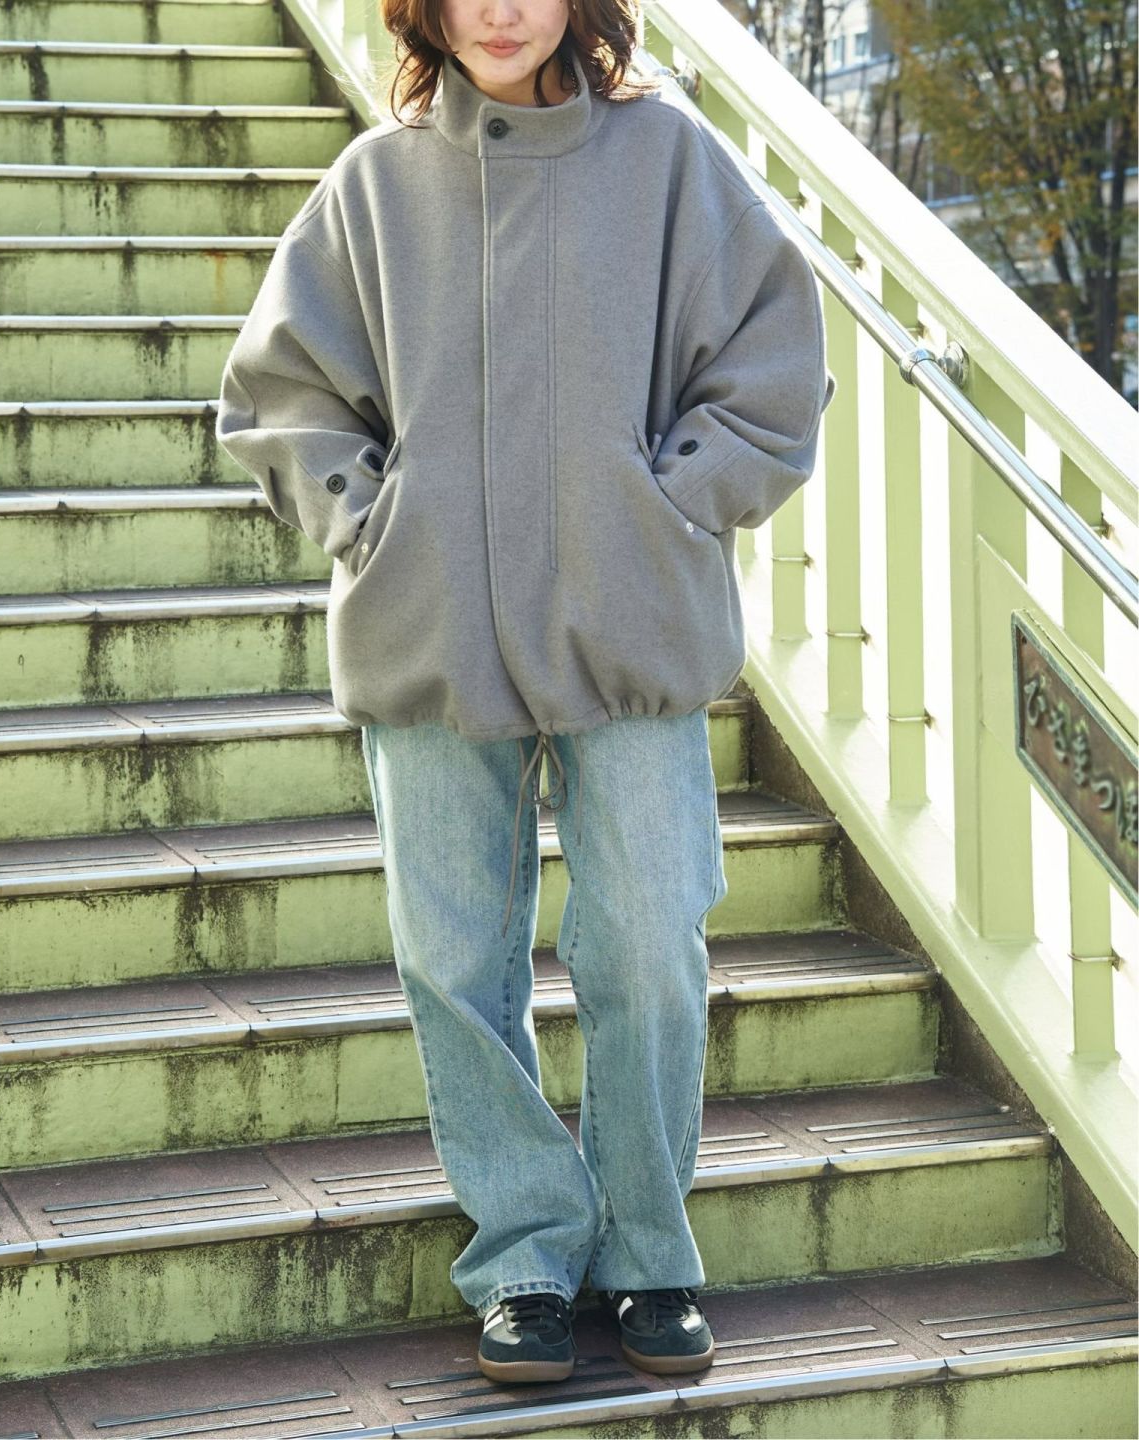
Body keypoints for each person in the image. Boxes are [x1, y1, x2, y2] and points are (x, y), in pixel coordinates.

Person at [215, 0, 834, 1389]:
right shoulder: (373, 186)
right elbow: (279, 393)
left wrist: (671, 507)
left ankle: (650, 1245)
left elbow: (775, 363)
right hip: (431, 632)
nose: (501, 9)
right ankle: (525, 1259)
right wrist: (370, 517)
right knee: (453, 961)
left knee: (651, 941)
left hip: (633, 631)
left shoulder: (669, 162)